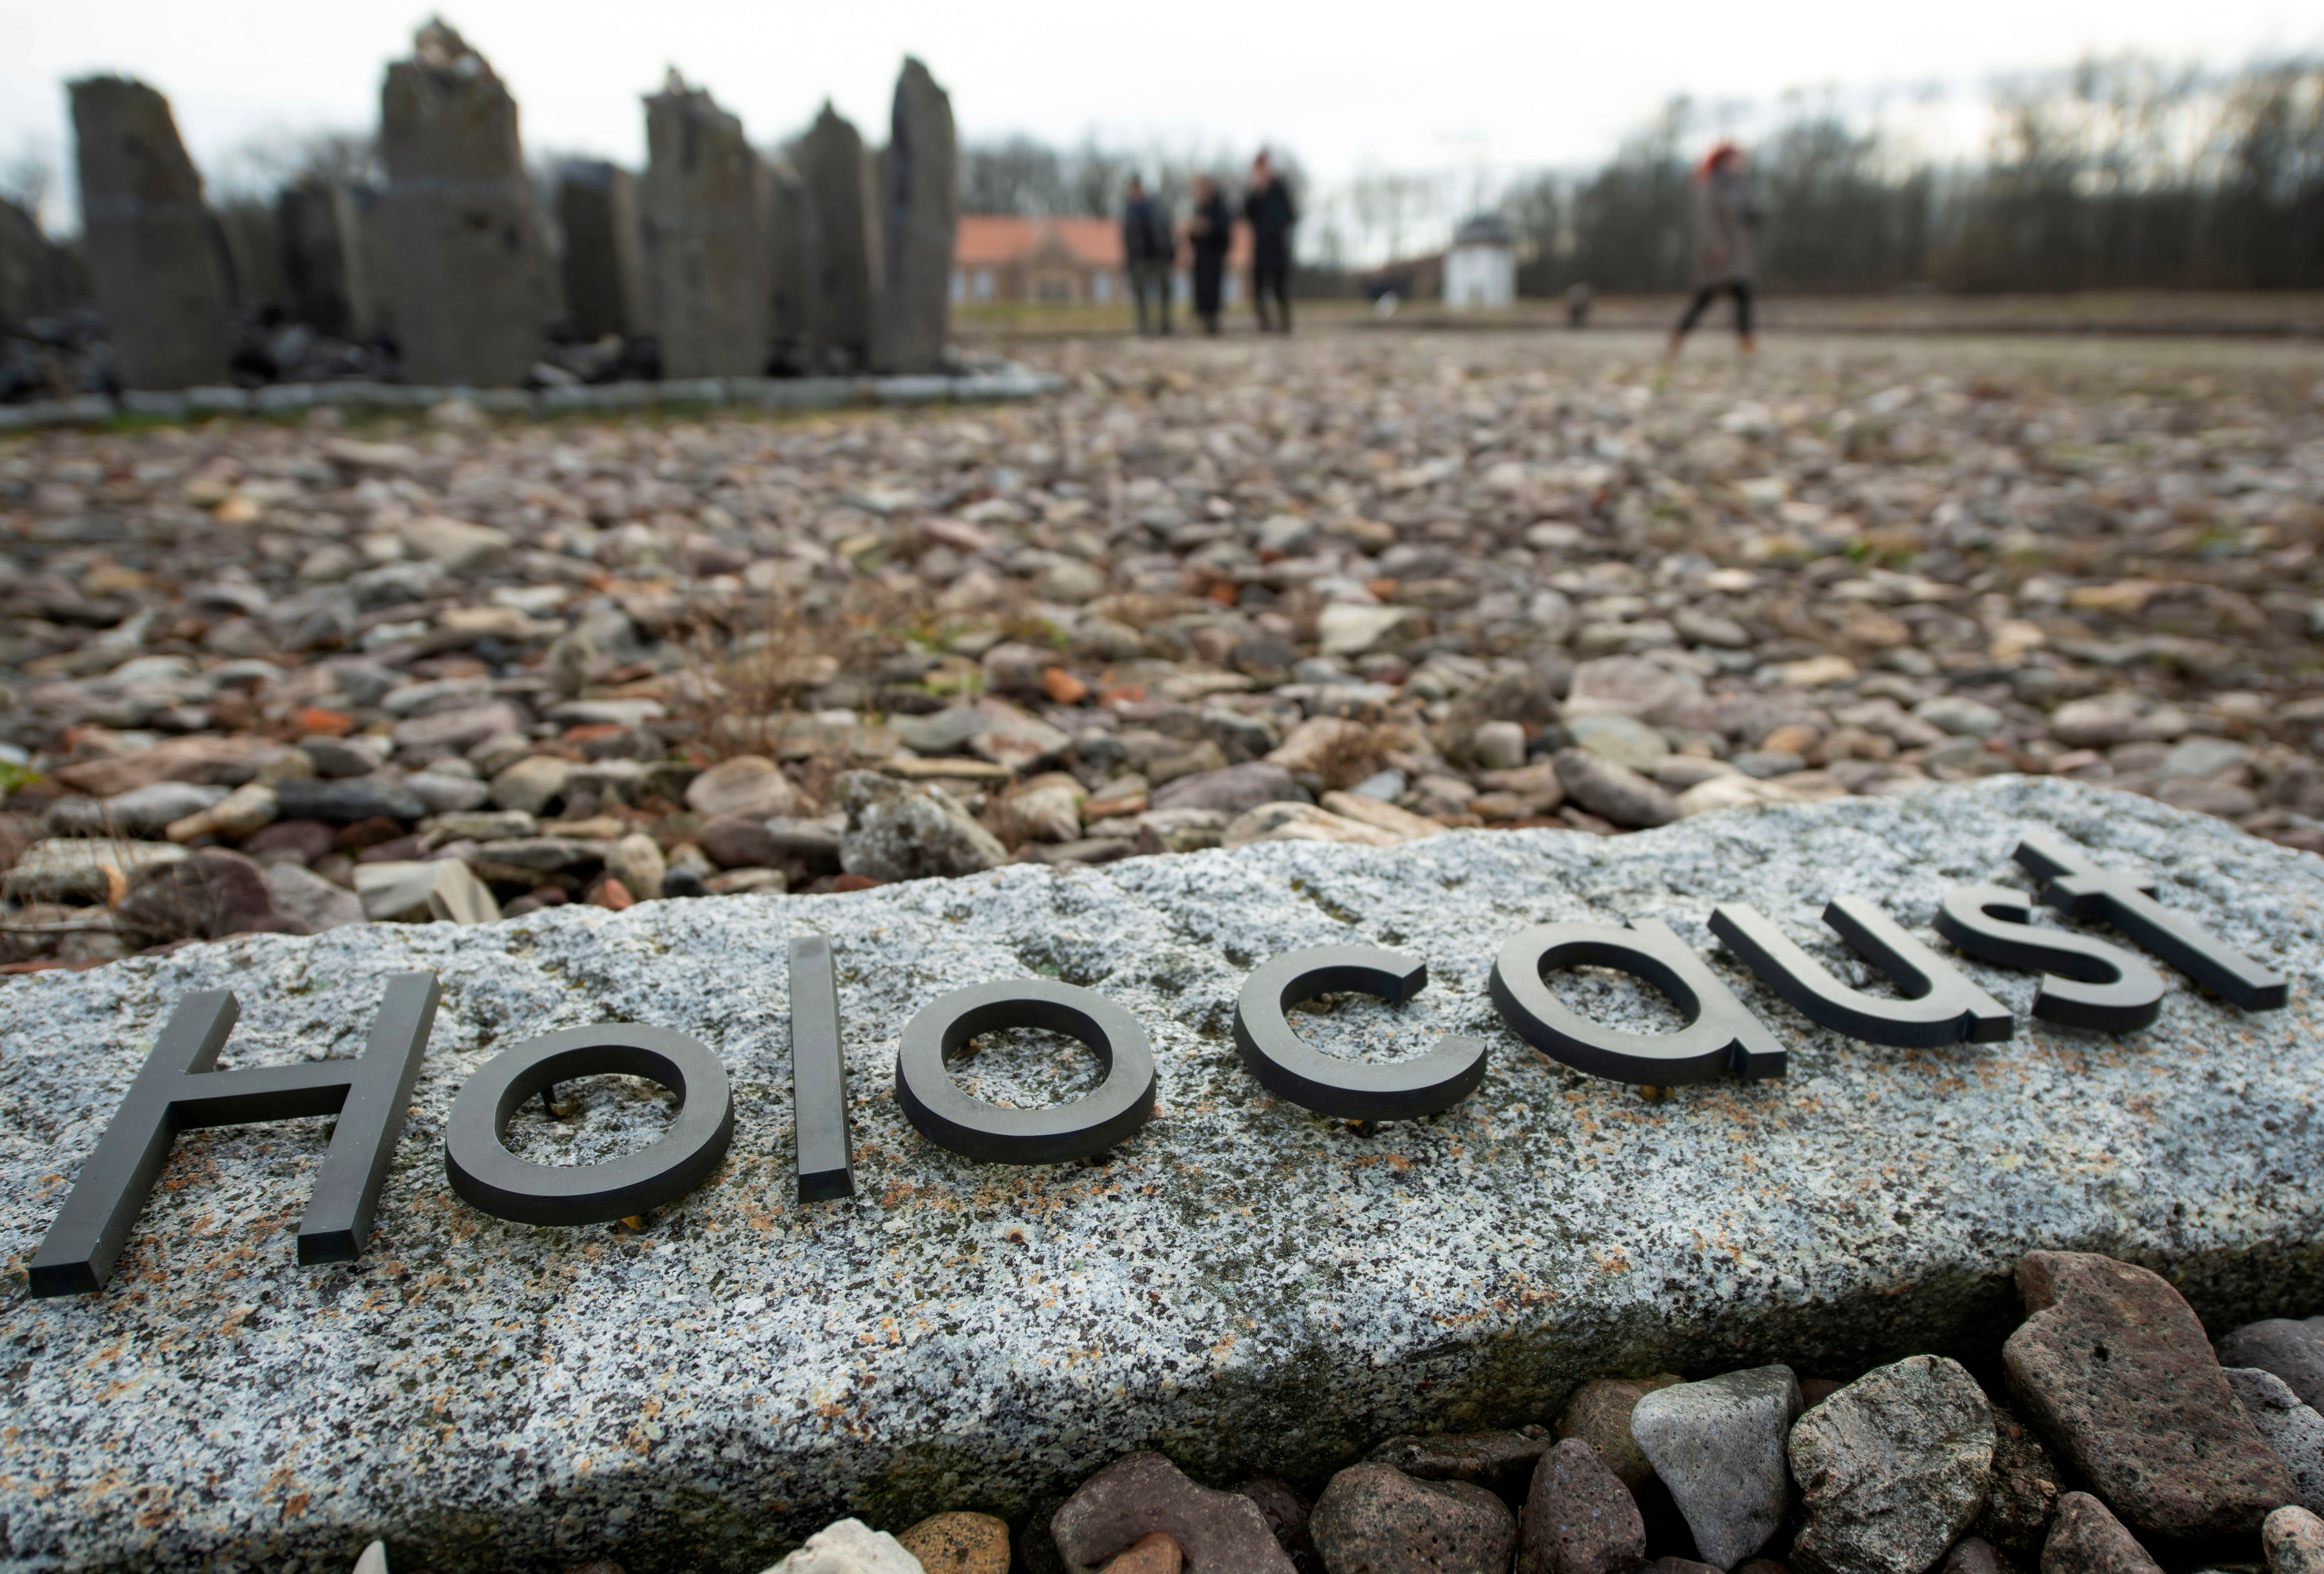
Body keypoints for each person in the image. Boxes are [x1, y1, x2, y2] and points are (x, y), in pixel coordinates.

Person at [1668, 142, 1760, 357]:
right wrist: (1715, 245)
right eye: (1733, 160)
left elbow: (1741, 213)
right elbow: (1706, 219)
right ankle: (1679, 334)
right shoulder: (1709, 185)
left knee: (1744, 294)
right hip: (1715, 254)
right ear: (1722, 161)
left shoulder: (1739, 186)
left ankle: (1746, 342)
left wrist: (1753, 216)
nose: (1737, 164)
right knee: (1704, 299)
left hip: (1737, 254)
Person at [1243, 151, 1298, 333]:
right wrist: (1256, 191)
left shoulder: (1280, 189)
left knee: (1280, 288)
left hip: (1278, 246)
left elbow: (1291, 216)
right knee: (1258, 288)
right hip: (1260, 247)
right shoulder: (1255, 193)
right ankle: (1264, 324)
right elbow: (1247, 214)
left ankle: (1285, 324)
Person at [1120, 175, 1174, 336]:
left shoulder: (1155, 207)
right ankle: (1144, 327)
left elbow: (1165, 228)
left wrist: (1169, 250)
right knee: (1141, 294)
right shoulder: (1129, 211)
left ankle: (1166, 325)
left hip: (1159, 256)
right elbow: (1128, 237)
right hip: (1139, 258)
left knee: (1165, 291)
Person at [1186, 175, 1233, 334]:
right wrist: (1193, 232)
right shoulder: (1199, 209)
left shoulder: (1220, 209)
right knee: (1201, 291)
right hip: (1201, 257)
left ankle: (1214, 322)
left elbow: (1225, 233)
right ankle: (1204, 321)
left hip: (1215, 257)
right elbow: (1192, 237)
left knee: (1214, 291)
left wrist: (1209, 228)